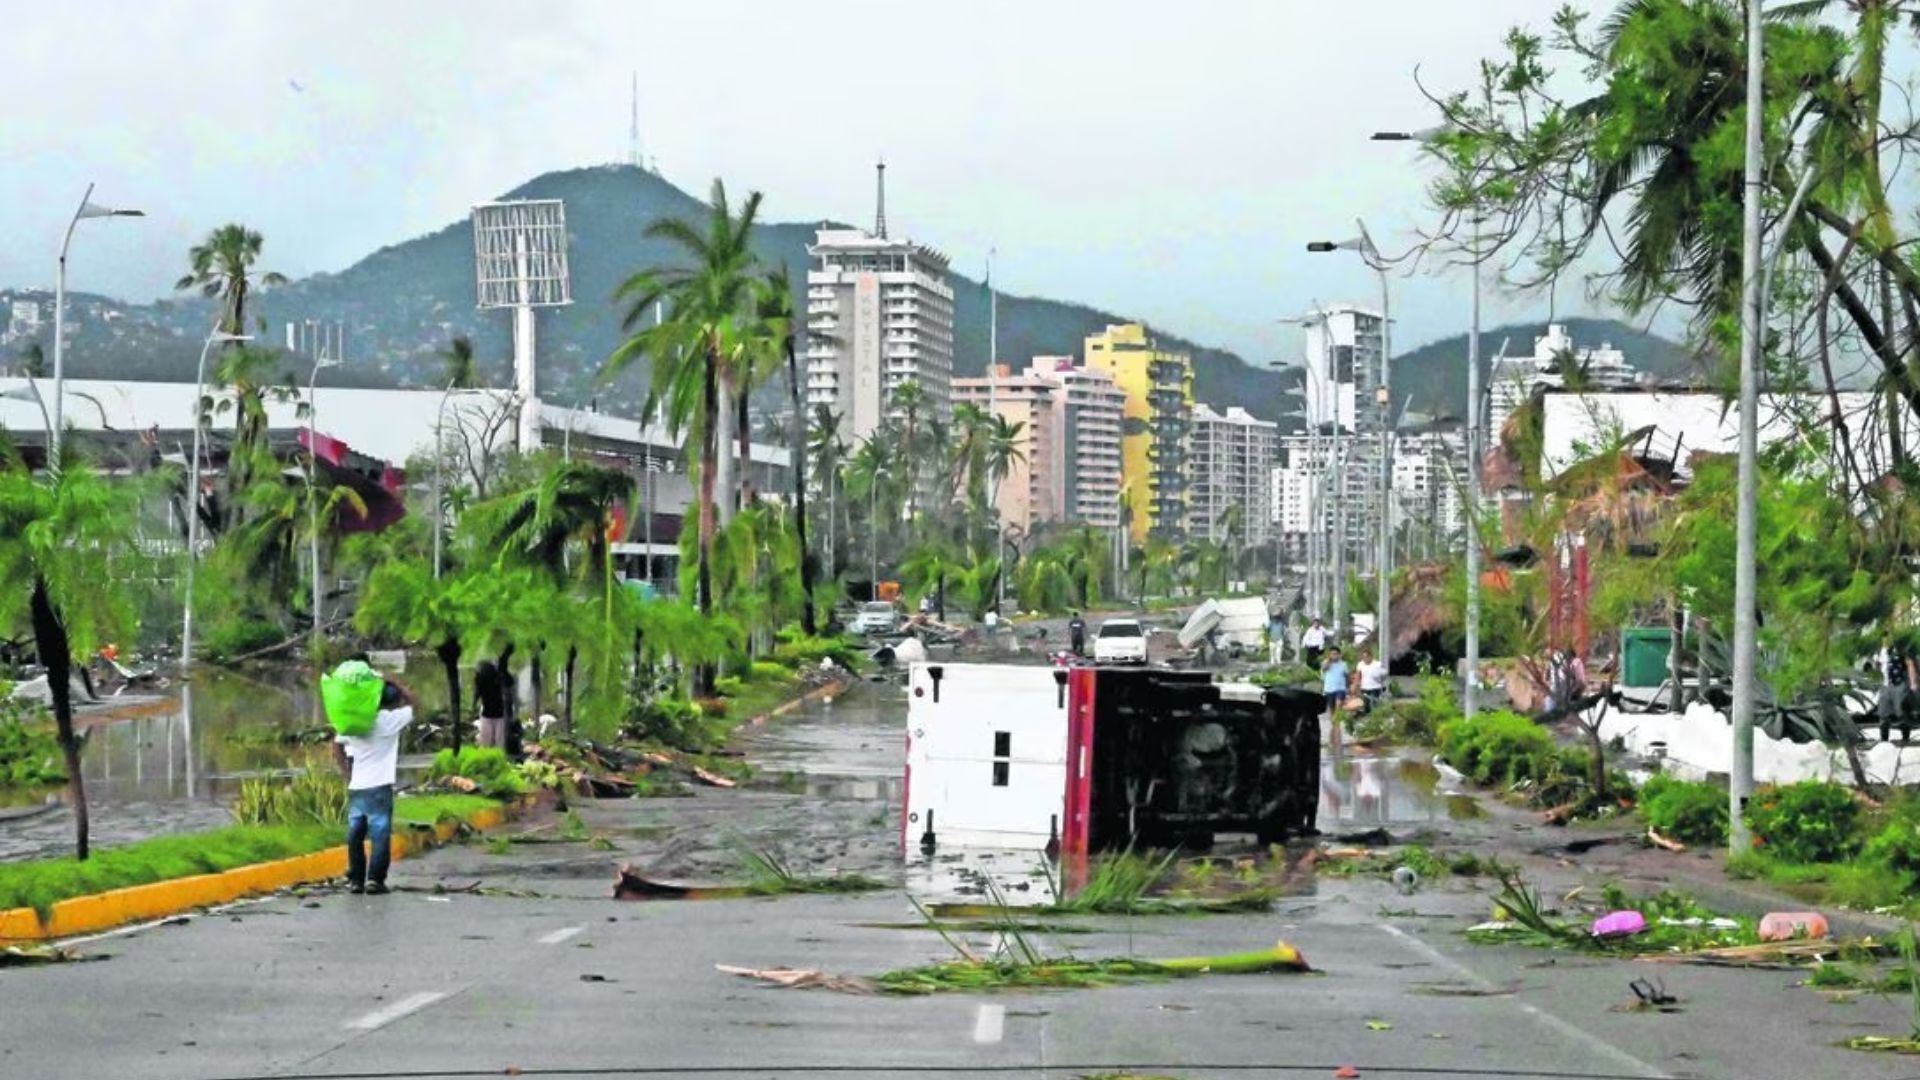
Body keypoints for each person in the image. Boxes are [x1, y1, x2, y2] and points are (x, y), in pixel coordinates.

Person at [333, 677, 416, 895]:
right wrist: (395, 682)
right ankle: (375, 880)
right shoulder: (390, 721)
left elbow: (337, 744)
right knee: (379, 833)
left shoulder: (358, 721)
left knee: (355, 834)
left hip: (357, 786)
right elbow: (414, 704)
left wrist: (346, 774)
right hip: (380, 785)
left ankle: (356, 880)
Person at [1878, 635, 1918, 743]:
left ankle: (1905, 738)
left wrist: (1913, 683)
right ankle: (1884, 740)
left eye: (1887, 638)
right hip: (1885, 685)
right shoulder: (1881, 652)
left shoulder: (1900, 650)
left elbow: (1910, 664)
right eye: (1884, 638)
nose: (1885, 640)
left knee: (1901, 712)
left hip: (1899, 683)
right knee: (1883, 714)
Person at [474, 660, 507, 750]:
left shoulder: (494, 679)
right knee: (496, 742)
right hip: (494, 714)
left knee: (488, 743)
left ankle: (490, 758)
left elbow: (477, 693)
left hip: (492, 714)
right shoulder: (496, 679)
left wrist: (473, 704)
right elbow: (477, 693)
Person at [1321, 647, 1350, 720]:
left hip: (1340, 689)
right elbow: (1324, 668)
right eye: (1332, 654)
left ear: (1339, 655)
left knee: (1338, 706)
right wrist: (1328, 660)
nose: (1334, 656)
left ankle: (1336, 723)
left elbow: (1347, 676)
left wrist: (1347, 688)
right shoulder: (1326, 663)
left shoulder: (1344, 664)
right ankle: (1334, 726)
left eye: (1336, 654)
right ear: (1329, 655)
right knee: (1331, 710)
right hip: (1329, 689)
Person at [1357, 648, 1388, 713]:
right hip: (1364, 687)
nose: (1365, 658)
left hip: (1375, 687)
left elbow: (1385, 673)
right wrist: (1357, 685)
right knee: (1365, 705)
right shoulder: (1360, 664)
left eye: (1367, 656)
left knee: (1373, 705)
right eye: (1364, 657)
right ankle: (1367, 719)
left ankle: (1373, 718)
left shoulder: (1377, 664)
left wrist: (1381, 680)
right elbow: (1358, 675)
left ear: (1371, 656)